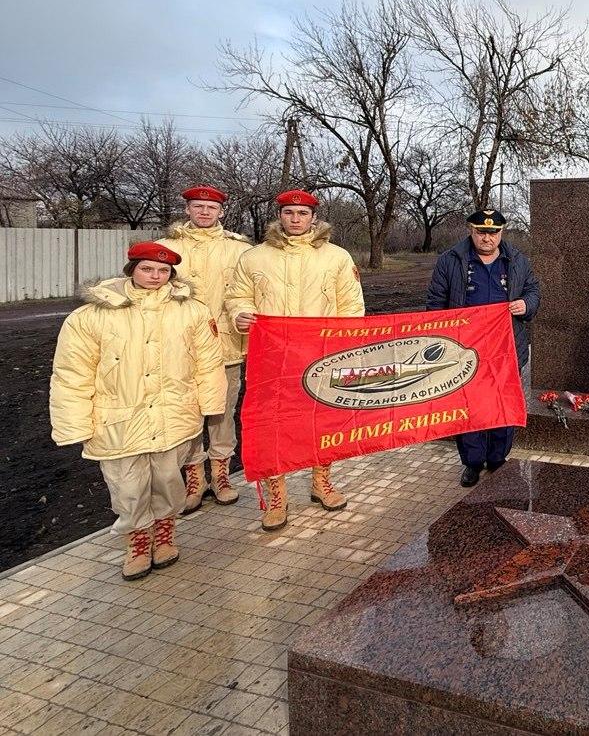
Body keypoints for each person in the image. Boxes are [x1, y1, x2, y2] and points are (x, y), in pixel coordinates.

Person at [50, 242, 226, 580]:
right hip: (117, 418)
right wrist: (73, 423)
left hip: (173, 414)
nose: (155, 276)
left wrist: (210, 404)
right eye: (147, 269)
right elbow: (72, 372)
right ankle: (137, 540)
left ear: (172, 274)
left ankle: (164, 533)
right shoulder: (92, 315)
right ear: (131, 269)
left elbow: (208, 363)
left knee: (167, 480)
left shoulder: (192, 312)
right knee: (127, 486)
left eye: (163, 271)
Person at [225, 190, 365, 531]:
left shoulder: (336, 257)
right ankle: (277, 495)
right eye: (289, 213)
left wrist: (346, 347)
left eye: (303, 213)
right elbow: (237, 296)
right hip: (271, 357)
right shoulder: (255, 257)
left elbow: (351, 305)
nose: (296, 219)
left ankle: (321, 481)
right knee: (273, 423)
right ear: (280, 215)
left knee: (322, 420)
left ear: (313, 217)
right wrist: (240, 314)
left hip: (322, 355)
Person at [427, 208, 541, 487]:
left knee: (503, 405)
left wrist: (526, 304)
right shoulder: (450, 261)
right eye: (481, 232)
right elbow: (435, 303)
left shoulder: (516, 261)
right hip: (465, 350)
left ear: (501, 233)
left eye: (493, 233)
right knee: (471, 407)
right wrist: (443, 341)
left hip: (507, 348)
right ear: (470, 230)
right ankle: (473, 463)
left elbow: (534, 291)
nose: (487, 238)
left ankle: (498, 458)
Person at [159, 185, 252, 513]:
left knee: (222, 410)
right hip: (180, 348)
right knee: (187, 410)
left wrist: (243, 315)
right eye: (197, 207)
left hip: (225, 343)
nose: (204, 213)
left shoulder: (238, 250)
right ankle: (194, 474)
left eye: (211, 208)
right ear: (187, 209)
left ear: (221, 212)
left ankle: (222, 473)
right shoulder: (165, 249)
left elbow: (249, 293)